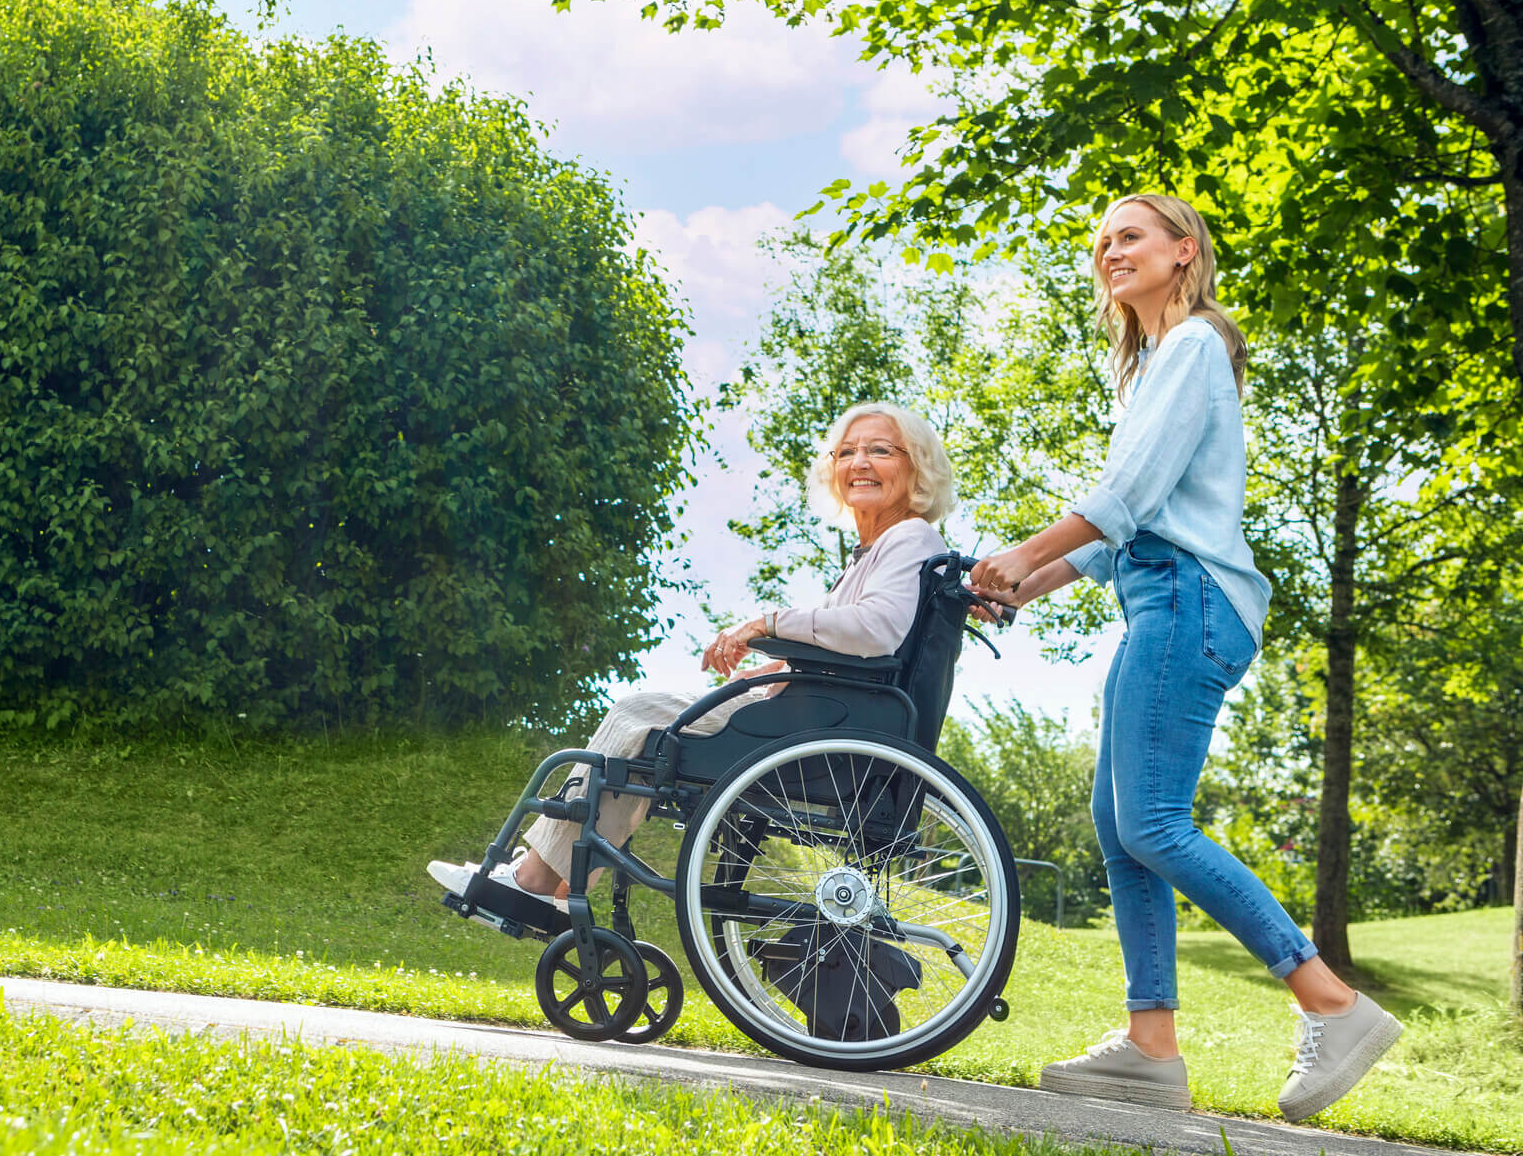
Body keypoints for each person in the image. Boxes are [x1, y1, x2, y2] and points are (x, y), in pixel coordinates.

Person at [967, 194, 1400, 1122]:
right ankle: (1152, 1044)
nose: (1109, 253)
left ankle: (1330, 998)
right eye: (1100, 244)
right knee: (1120, 820)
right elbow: (1122, 525)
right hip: (1160, 594)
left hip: (1189, 596)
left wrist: (1021, 552)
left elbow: (1123, 495)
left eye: (1129, 236)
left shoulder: (1195, 344)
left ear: (1183, 249)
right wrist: (1019, 584)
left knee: (1154, 820)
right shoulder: (1157, 367)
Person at [429, 401, 957, 913]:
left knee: (640, 712)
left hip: (817, 730)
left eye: (881, 451)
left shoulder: (909, 536)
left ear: (917, 469)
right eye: (847, 452)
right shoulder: (878, 549)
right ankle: (563, 885)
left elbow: (876, 630)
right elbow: (845, 650)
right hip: (816, 717)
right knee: (643, 735)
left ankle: (534, 880)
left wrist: (766, 624)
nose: (859, 463)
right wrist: (773, 666)